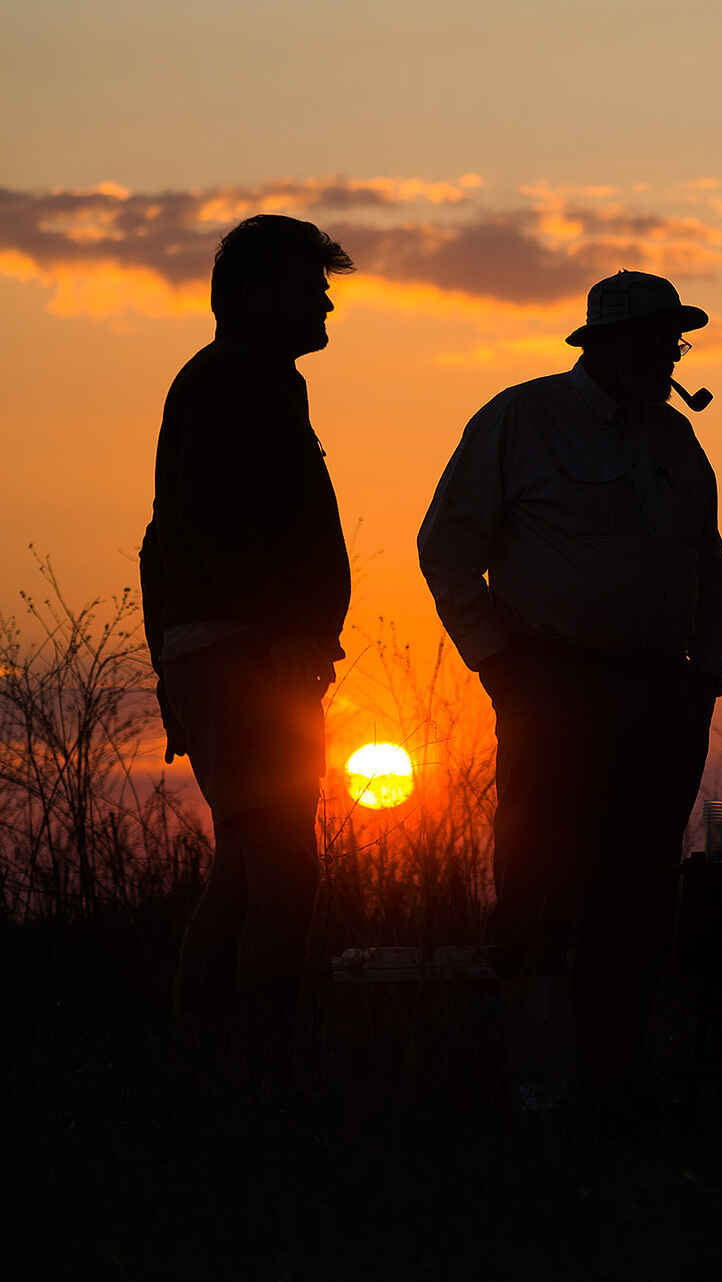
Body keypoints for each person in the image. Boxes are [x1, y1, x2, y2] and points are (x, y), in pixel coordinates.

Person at [418, 270, 722, 1116]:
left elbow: (709, 565)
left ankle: (611, 1091)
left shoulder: (676, 442)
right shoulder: (519, 420)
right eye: (659, 340)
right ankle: (528, 1089)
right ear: (609, 345)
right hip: (553, 692)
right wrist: (499, 663)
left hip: (662, 696)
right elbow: (446, 548)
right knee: (539, 887)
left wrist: (706, 671)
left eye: (676, 341)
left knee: (639, 894)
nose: (672, 355)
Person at [139, 214, 355, 1078]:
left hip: (238, 658)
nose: (326, 303)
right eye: (311, 288)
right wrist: (270, 644)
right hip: (244, 661)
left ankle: (207, 1063)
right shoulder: (233, 382)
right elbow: (196, 535)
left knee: (248, 863)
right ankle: (259, 1069)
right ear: (261, 294)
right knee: (283, 871)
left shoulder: (250, 381)